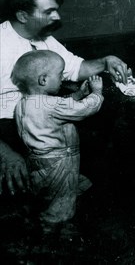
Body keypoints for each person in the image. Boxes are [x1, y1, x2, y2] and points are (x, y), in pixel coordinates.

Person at [0, 0, 128, 196]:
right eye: (49, 12)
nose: (57, 17)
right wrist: (5, 154)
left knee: (113, 142)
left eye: (56, 11)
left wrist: (106, 60)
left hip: (48, 121)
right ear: (22, 15)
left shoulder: (44, 39)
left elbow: (76, 67)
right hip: (8, 129)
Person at [11, 50, 104, 228]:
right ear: (43, 80)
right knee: (59, 212)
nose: (62, 79)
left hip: (38, 164)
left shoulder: (23, 103)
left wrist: (77, 95)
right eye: (60, 74)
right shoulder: (50, 105)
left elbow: (58, 105)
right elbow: (83, 110)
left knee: (57, 199)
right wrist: (96, 93)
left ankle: (51, 228)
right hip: (59, 165)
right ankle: (56, 240)